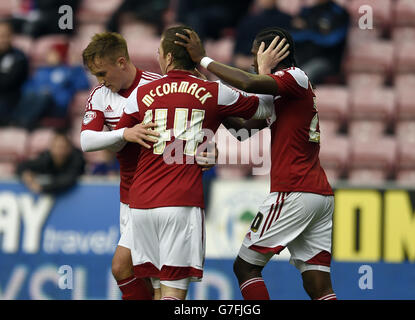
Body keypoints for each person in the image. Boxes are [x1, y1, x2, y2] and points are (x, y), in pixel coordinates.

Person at [176, 27, 337, 300]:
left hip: (294, 191)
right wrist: (214, 96)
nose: (251, 61)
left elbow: (249, 83)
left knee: (245, 266)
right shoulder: (282, 93)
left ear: (272, 52)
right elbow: (243, 130)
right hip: (316, 194)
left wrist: (204, 59)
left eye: (255, 54)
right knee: (318, 286)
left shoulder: (295, 77)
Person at [115, 25, 274, 300]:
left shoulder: (141, 95)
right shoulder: (214, 91)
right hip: (180, 202)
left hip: (140, 204)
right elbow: (263, 111)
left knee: (156, 291)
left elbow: (117, 142)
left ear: (167, 57)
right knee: (173, 295)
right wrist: (265, 72)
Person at [80, 32, 217, 300]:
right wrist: (124, 133)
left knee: (122, 266)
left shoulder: (157, 86)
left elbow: (197, 122)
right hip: (128, 198)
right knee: (151, 280)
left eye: (103, 73)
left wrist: (208, 149)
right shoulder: (99, 96)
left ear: (121, 62)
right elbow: (86, 141)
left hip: (159, 194)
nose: (101, 81)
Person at [10, 41, 89, 129]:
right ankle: (18, 119)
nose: (48, 56)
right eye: (49, 53)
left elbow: (83, 85)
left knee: (44, 96)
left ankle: (22, 123)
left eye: (52, 53)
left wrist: (77, 68)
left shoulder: (69, 71)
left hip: (57, 106)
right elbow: (29, 85)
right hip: (36, 102)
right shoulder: (41, 71)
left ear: (61, 55)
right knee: (29, 94)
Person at [290, 0, 349, 84]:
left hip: (325, 60)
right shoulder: (307, 11)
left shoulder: (339, 13)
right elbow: (292, 36)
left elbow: (332, 40)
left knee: (303, 75)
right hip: (303, 56)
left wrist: (309, 32)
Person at [16, 129, 85, 194]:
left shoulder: (77, 159)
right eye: (56, 147)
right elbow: (23, 166)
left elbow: (69, 179)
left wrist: (43, 187)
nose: (59, 151)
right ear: (51, 148)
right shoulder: (46, 158)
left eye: (62, 147)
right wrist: (25, 174)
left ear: (69, 148)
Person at [233, 0, 292, 71]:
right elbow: (238, 56)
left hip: (278, 64)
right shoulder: (247, 22)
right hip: (250, 64)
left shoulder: (286, 19)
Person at [0, 20, 29, 126]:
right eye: (0, 36)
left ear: (12, 36)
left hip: (11, 101)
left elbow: (9, 82)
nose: (3, 39)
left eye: (6, 35)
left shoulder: (19, 56)